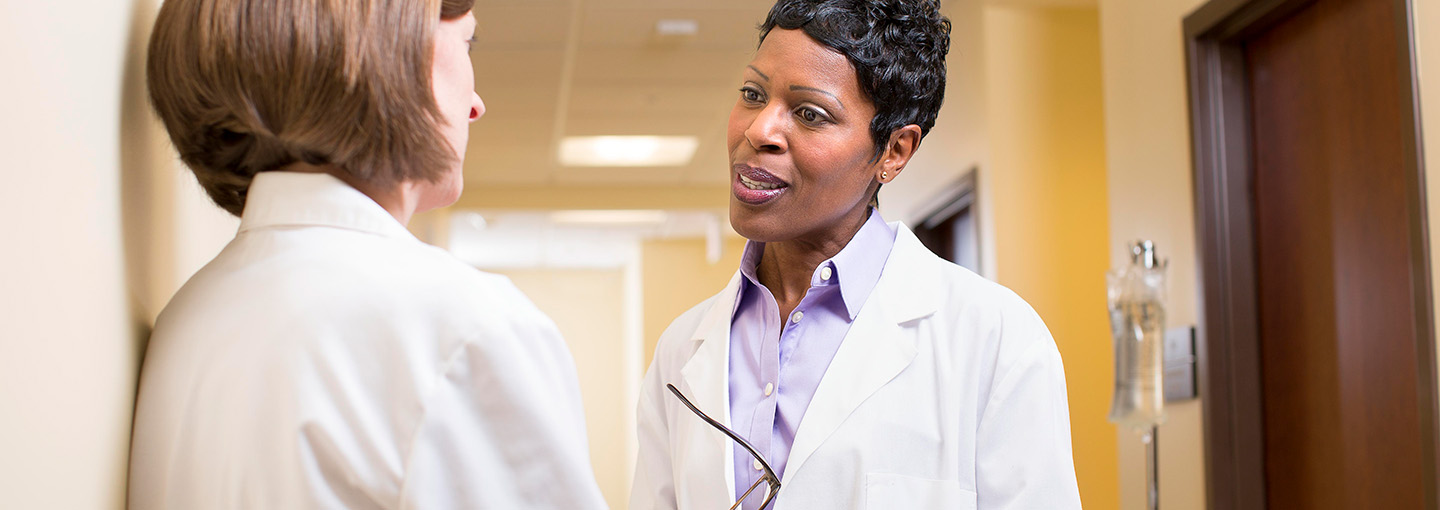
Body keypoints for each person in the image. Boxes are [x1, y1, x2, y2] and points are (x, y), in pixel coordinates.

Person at [128, 1, 606, 508]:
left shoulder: (188, 317)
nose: (476, 105)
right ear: (391, 56)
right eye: (467, 45)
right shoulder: (460, 326)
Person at [630, 0, 1082, 508]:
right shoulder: (682, 350)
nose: (758, 131)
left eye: (809, 113)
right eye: (753, 95)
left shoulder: (996, 340)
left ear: (894, 151)